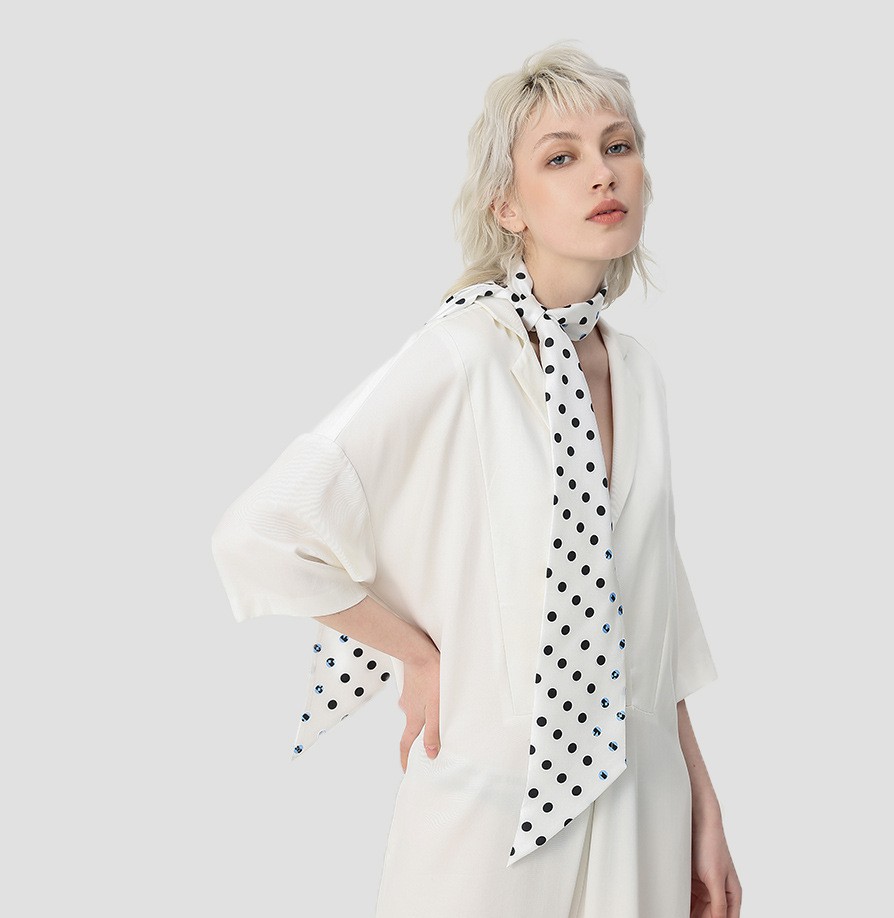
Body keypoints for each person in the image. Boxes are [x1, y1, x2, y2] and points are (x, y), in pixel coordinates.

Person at [212, 42, 741, 918]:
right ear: (506, 205)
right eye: (560, 158)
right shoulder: (462, 355)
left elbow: (650, 618)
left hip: (643, 805)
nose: (601, 174)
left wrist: (703, 810)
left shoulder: (639, 374)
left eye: (618, 146)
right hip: (492, 802)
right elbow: (261, 533)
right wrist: (415, 653)